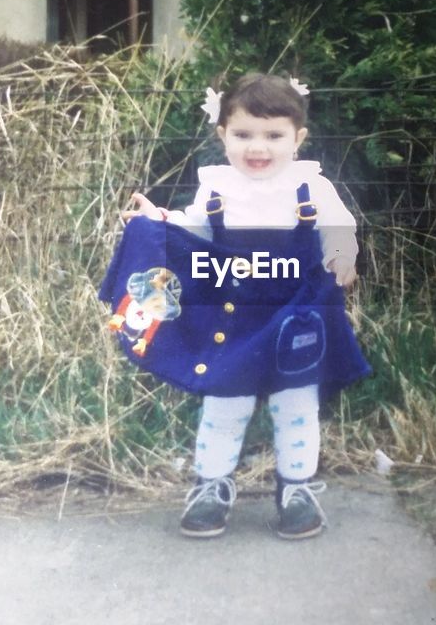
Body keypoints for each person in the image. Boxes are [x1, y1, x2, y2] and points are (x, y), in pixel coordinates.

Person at [103, 73, 369, 540]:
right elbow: (191, 232)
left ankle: (297, 490)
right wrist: (157, 220)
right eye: (244, 134)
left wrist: (342, 256)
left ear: (298, 139)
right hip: (234, 319)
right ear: (223, 135)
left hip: (296, 314)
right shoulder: (218, 190)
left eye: (273, 136)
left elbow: (340, 228)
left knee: (296, 404)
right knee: (225, 401)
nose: (258, 147)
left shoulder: (312, 189)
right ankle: (212, 487)